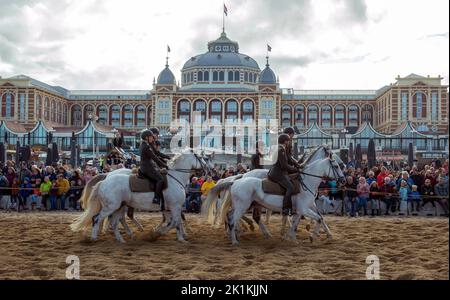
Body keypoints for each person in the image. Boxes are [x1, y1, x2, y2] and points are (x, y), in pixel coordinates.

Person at [268, 134, 298, 216]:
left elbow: (289, 159)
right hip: (278, 173)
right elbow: (284, 165)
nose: (289, 142)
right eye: (288, 141)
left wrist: (297, 165)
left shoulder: (280, 148)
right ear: (285, 141)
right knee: (290, 187)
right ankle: (285, 208)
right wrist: (295, 169)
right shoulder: (281, 149)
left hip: (279, 172)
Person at [139, 130, 168, 210]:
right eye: (151, 137)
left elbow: (155, 155)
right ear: (146, 137)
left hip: (146, 167)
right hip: (148, 168)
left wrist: (166, 159)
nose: (153, 138)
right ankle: (156, 198)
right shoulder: (146, 146)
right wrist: (165, 165)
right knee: (160, 179)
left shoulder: (143, 145)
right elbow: (154, 158)